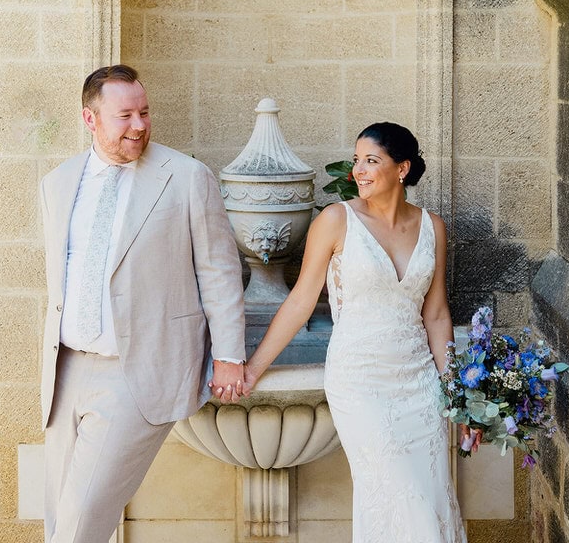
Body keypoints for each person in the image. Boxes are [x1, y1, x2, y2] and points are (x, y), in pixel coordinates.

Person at [40, 65, 246, 543]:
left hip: (138, 369)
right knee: (59, 513)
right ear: (91, 120)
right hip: (65, 368)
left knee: (81, 518)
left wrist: (229, 355)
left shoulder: (187, 177)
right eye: (125, 115)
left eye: (145, 112)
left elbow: (218, 271)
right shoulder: (58, 182)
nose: (139, 125)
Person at [244, 121, 475, 543]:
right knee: (400, 497)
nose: (359, 172)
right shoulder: (337, 220)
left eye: (371, 161)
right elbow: (299, 301)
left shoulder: (433, 228)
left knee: (432, 496)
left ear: (402, 168)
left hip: (420, 383)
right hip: (361, 381)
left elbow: (437, 315)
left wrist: (457, 396)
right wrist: (254, 367)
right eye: (356, 161)